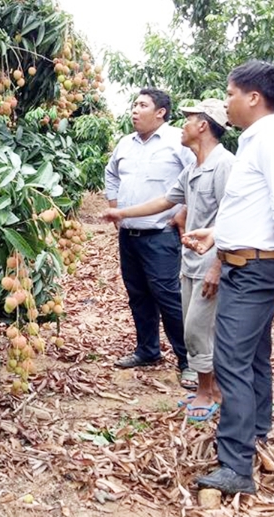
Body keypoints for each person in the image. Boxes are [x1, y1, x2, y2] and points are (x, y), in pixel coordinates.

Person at [183, 61, 274, 495]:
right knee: (252, 354)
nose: (226, 102)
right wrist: (217, 236)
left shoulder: (273, 140)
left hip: (256, 268)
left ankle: (236, 466)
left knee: (230, 361)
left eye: (230, 93)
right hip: (242, 263)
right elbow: (248, 209)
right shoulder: (255, 142)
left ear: (253, 97)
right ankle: (256, 429)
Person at [102, 98, 234, 420]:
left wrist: (219, 264)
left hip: (208, 256)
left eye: (189, 120)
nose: (183, 125)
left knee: (196, 324)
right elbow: (164, 200)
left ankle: (206, 386)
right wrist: (121, 211)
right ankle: (206, 388)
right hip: (190, 256)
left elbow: (234, 217)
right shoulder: (194, 168)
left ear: (202, 125)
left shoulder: (224, 165)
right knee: (190, 322)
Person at [104, 88, 196, 387]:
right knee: (138, 295)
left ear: (161, 112)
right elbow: (111, 173)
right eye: (134, 104)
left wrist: (183, 210)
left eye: (142, 105)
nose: (134, 110)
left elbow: (195, 175)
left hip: (161, 234)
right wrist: (115, 205)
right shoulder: (125, 144)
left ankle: (189, 361)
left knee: (168, 297)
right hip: (129, 235)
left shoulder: (177, 141)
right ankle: (148, 350)